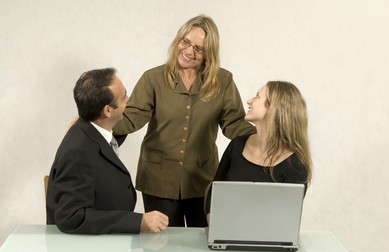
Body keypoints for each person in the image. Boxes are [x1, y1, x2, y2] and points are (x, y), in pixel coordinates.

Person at [113, 15, 256, 227]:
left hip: (202, 179)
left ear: (210, 53)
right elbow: (132, 117)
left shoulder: (223, 81)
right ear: (178, 40)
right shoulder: (153, 78)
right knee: (162, 249)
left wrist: (262, 137)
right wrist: (94, 120)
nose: (189, 51)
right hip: (158, 179)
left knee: (205, 246)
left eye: (199, 48)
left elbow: (233, 122)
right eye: (185, 42)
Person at [46, 68, 169, 234]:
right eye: (124, 96)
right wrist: (139, 222)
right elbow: (71, 216)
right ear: (108, 110)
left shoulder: (93, 132)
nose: (129, 99)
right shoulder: (77, 152)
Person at [205, 81, 313, 222]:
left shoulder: (295, 165)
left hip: (267, 241)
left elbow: (285, 219)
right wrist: (216, 228)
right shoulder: (237, 145)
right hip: (225, 236)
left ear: (273, 108)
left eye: (257, 96)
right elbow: (215, 192)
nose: (249, 101)